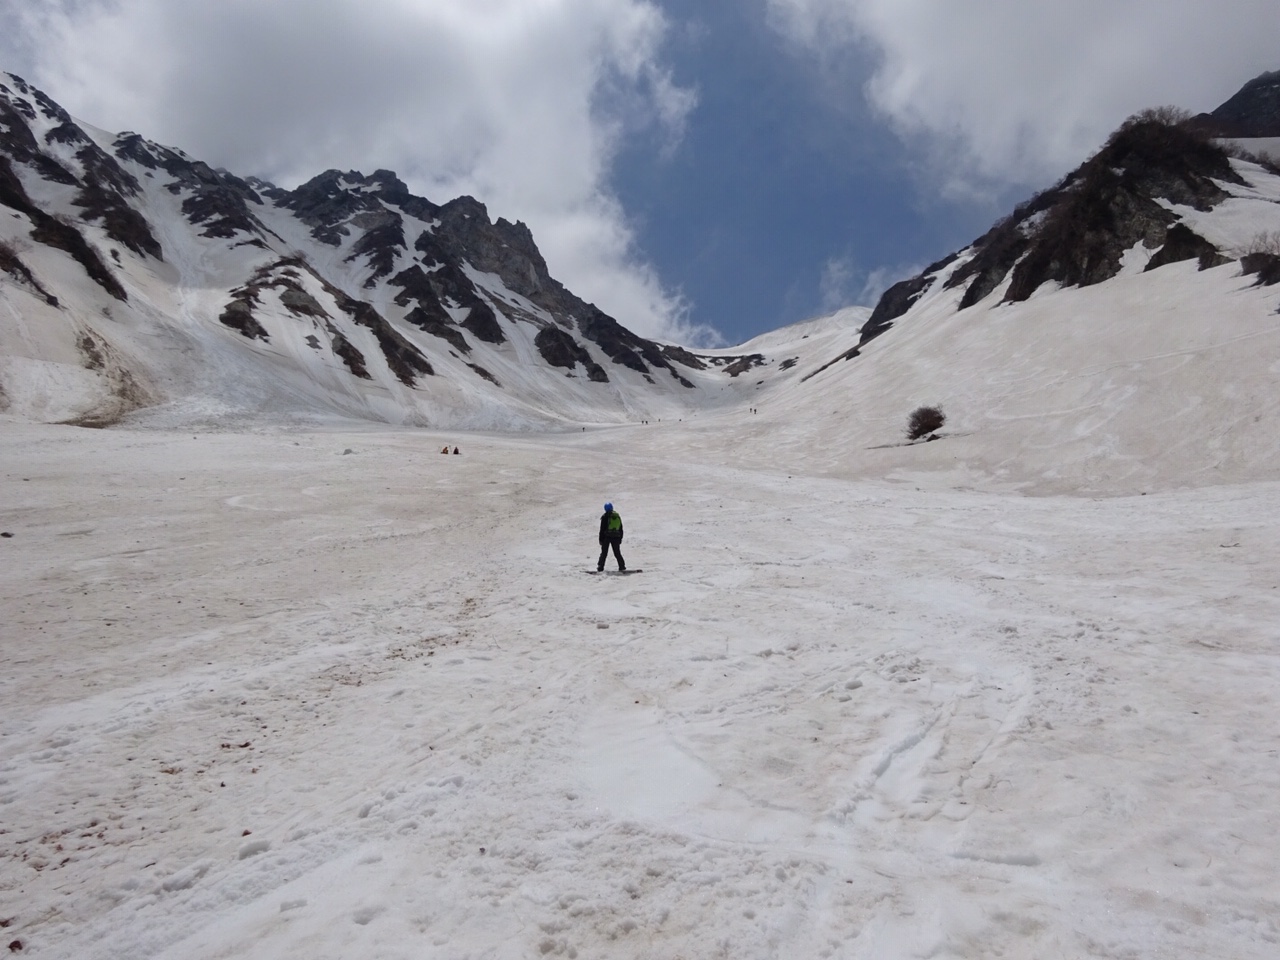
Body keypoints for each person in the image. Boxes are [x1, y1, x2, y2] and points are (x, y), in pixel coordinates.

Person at [597, 502, 625, 572]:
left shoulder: (605, 516)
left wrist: (601, 540)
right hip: (616, 537)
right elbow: (620, 528)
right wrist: (620, 538)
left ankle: (600, 567)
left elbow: (602, 529)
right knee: (617, 553)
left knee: (604, 553)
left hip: (607, 537)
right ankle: (622, 566)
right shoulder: (617, 516)